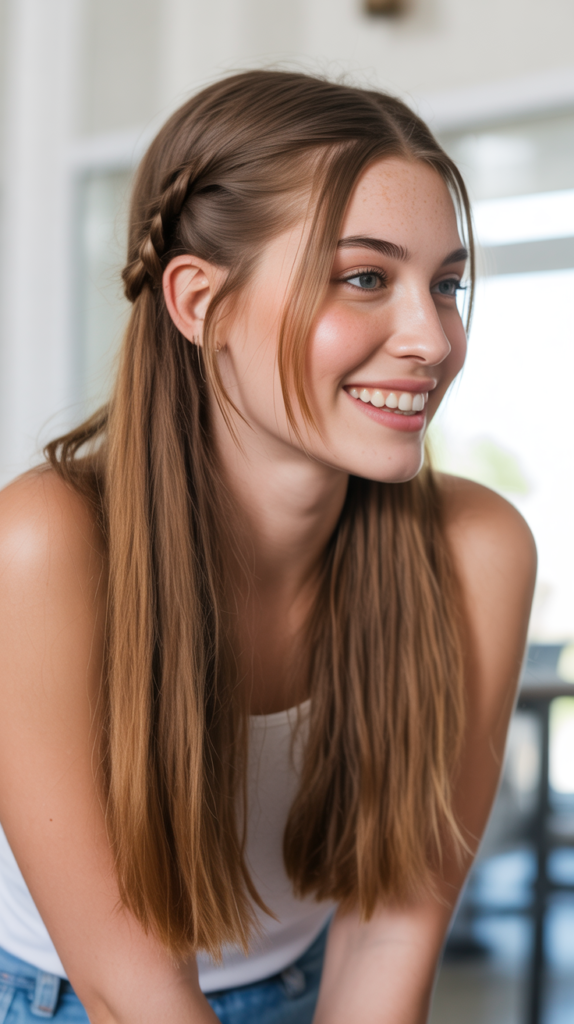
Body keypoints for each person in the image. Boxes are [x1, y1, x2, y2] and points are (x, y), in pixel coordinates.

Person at [0, 70, 536, 1024]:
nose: (434, 338)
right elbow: (129, 992)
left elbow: (389, 940)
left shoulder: (478, 550)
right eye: (365, 277)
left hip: (304, 985)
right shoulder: (44, 545)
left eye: (446, 284)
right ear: (199, 302)